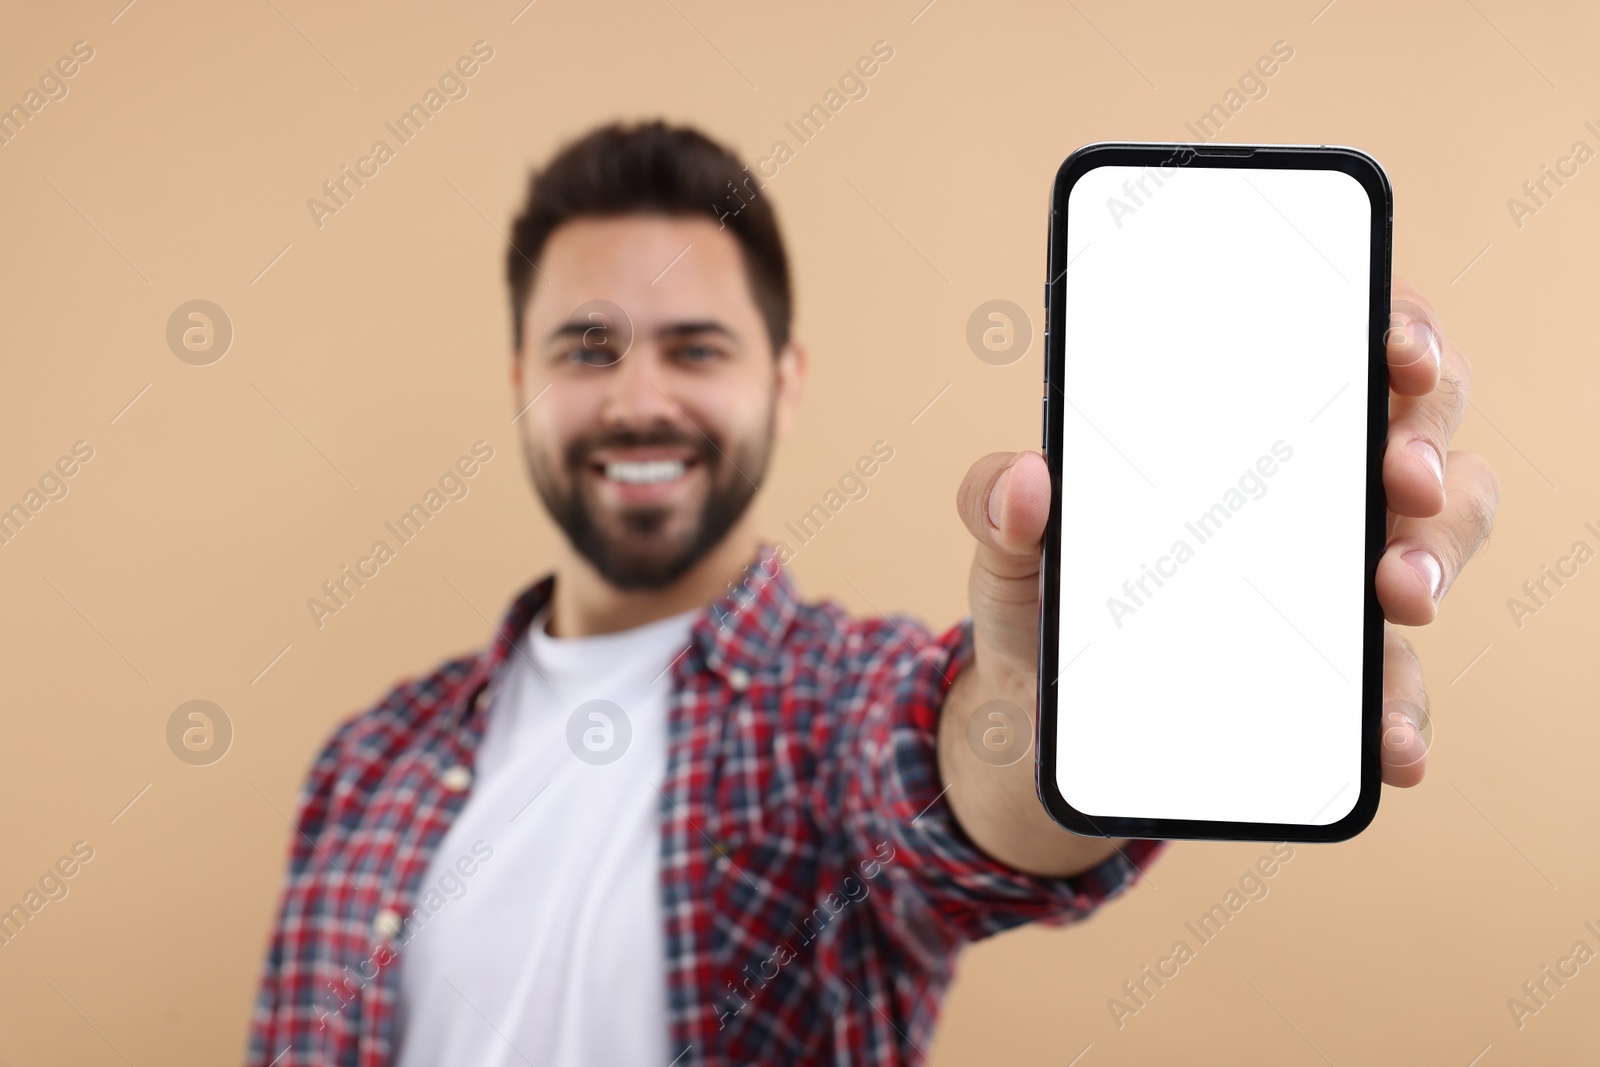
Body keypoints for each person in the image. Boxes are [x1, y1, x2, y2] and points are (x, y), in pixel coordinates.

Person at [245, 119, 1498, 1066]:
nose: (637, 398)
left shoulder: (834, 701)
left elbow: (966, 799)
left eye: (695, 346)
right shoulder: (368, 760)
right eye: (588, 346)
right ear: (521, 371)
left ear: (783, 381)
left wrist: (1036, 695)